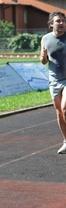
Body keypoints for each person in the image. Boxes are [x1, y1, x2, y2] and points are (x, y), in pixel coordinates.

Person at [40, 11, 66, 154]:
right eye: (58, 21)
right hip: (54, 79)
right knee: (59, 113)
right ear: (51, 24)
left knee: (65, 108)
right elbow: (43, 61)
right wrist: (43, 55)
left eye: (63, 21)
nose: (61, 23)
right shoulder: (45, 39)